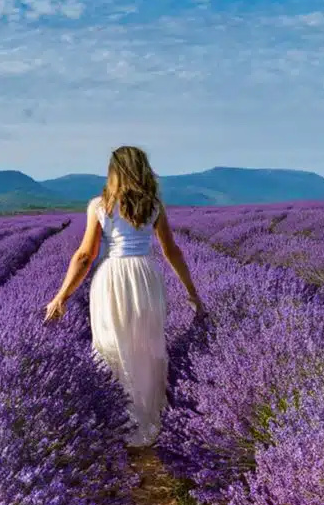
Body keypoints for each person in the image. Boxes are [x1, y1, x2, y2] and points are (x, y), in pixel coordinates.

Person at [44, 146, 205, 448]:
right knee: (147, 346)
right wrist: (193, 294)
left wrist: (61, 296)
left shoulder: (99, 205)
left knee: (109, 345)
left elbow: (84, 256)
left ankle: (114, 421)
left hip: (112, 278)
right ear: (143, 170)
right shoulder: (153, 206)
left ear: (114, 171)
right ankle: (148, 420)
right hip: (145, 277)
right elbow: (172, 252)